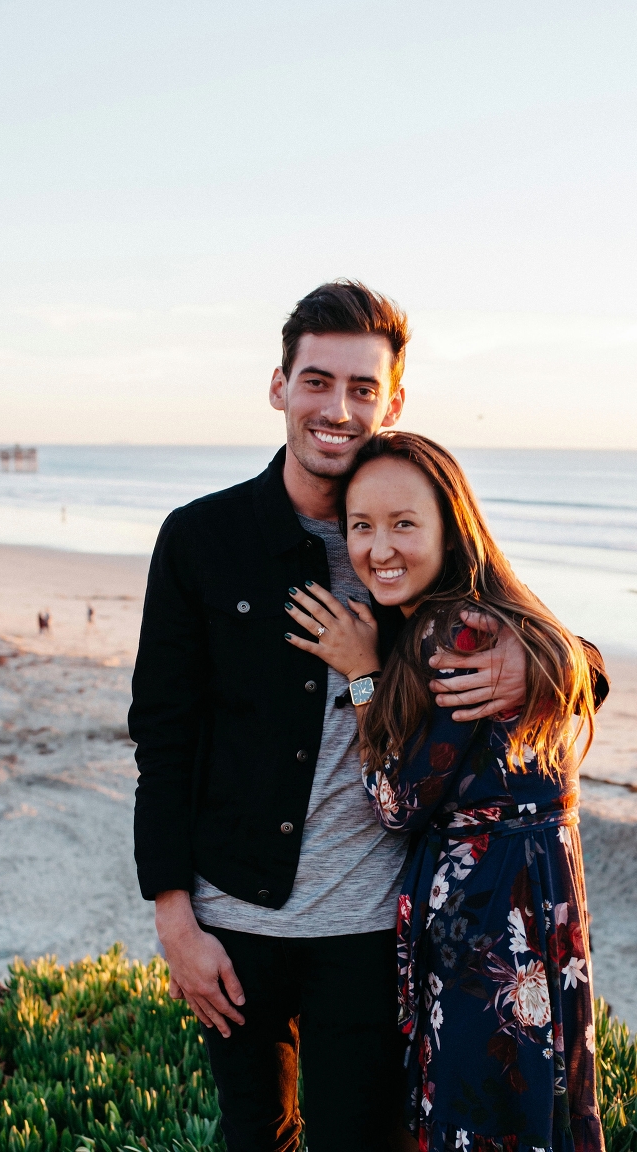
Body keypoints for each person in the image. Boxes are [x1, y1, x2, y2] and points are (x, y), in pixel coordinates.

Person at [128, 281, 561, 1152]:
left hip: (373, 929)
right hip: (234, 917)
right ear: (279, 385)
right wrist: (175, 922)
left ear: (392, 400)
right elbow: (162, 736)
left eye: (363, 389)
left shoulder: (412, 539)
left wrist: (547, 662)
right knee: (256, 1135)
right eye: (317, 381)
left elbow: (536, 624)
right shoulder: (200, 539)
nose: (337, 408)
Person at [283, 431, 606, 1152]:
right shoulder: (492, 612)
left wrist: (361, 672)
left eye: (404, 524)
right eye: (361, 526)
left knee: (477, 1112)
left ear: (449, 529)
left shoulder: (456, 632)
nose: (379, 548)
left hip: (489, 918)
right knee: (533, 1104)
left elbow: (397, 802)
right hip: (537, 903)